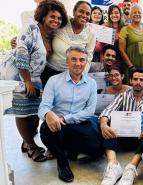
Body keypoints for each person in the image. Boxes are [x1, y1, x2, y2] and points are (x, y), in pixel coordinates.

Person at [4, 0, 68, 163]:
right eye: (52, 16)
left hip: (36, 77)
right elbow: (21, 54)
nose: (56, 20)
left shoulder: (51, 33)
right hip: (21, 76)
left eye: (59, 18)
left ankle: (27, 143)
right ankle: (32, 147)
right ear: (43, 16)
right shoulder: (31, 28)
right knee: (23, 113)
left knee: (34, 113)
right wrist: (27, 82)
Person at [39, 47, 103, 182]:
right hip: (58, 124)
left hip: (79, 122)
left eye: (82, 60)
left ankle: (68, 148)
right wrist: (48, 114)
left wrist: (66, 118)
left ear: (86, 63)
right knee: (45, 129)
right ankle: (62, 162)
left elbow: (89, 111)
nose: (78, 63)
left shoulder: (91, 83)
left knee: (97, 150)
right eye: (73, 59)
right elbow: (43, 106)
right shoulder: (54, 81)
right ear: (67, 61)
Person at [99, 68, 143, 185]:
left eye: (141, 79)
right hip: (123, 138)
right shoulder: (123, 96)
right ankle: (113, 166)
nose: (138, 82)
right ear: (131, 81)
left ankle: (131, 168)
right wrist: (103, 123)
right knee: (107, 124)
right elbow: (108, 110)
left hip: (142, 139)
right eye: (135, 79)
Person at [41, 0, 95, 86]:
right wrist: (24, 39)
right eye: (81, 11)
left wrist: (80, 77)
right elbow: (44, 31)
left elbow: (88, 58)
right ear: (74, 12)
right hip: (49, 70)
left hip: (70, 76)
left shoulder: (91, 33)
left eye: (87, 13)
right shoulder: (63, 22)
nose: (84, 15)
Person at [119, 5, 143, 83]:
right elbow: (121, 50)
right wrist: (131, 67)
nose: (137, 14)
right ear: (130, 15)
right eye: (134, 12)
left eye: (139, 12)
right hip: (132, 69)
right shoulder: (125, 29)